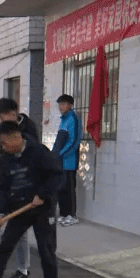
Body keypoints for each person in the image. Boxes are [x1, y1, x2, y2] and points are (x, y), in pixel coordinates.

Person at [0, 121, 64, 278]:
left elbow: (57, 176)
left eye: (5, 143)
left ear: (17, 138)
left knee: (46, 250)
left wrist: (43, 195)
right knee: (5, 247)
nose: (4, 147)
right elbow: (1, 187)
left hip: (41, 208)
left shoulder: (39, 152)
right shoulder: (7, 158)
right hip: (19, 209)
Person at [53, 94, 81, 227]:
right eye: (59, 104)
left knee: (69, 189)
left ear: (70, 105)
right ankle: (64, 214)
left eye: (63, 104)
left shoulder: (73, 119)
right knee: (61, 189)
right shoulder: (63, 120)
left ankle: (72, 215)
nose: (60, 107)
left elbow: (74, 141)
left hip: (69, 161)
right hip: (60, 161)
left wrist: (61, 154)